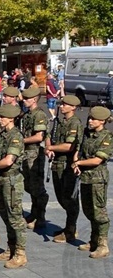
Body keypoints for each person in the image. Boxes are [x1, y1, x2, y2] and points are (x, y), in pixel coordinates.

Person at [0, 104, 27, 269]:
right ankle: (11, 247)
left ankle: (20, 253)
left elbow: (9, 160)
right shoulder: (1, 134)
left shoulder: (15, 136)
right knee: (5, 215)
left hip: (12, 181)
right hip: (2, 180)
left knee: (15, 218)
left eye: (2, 117)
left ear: (10, 118)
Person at [72, 106, 112, 258]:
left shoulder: (106, 137)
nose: (90, 121)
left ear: (102, 121)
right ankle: (94, 240)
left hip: (97, 179)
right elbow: (80, 151)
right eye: (90, 118)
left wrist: (79, 164)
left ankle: (103, 245)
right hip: (86, 177)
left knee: (99, 212)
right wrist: (77, 162)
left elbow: (97, 159)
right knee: (89, 210)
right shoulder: (87, 134)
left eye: (94, 119)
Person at [45, 95, 84, 243]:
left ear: (73, 107)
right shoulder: (59, 121)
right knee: (61, 196)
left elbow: (70, 146)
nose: (62, 106)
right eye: (62, 104)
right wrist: (49, 147)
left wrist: (51, 147)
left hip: (67, 164)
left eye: (66, 105)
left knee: (70, 198)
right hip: (56, 163)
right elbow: (49, 135)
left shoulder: (74, 123)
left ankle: (71, 229)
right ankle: (69, 227)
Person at [20, 87, 49, 230]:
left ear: (34, 99)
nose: (24, 101)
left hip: (35, 154)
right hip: (26, 154)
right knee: (29, 185)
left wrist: (21, 141)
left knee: (37, 186)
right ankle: (34, 212)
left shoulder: (39, 115)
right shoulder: (27, 114)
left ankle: (40, 216)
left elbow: (39, 136)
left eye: (26, 99)